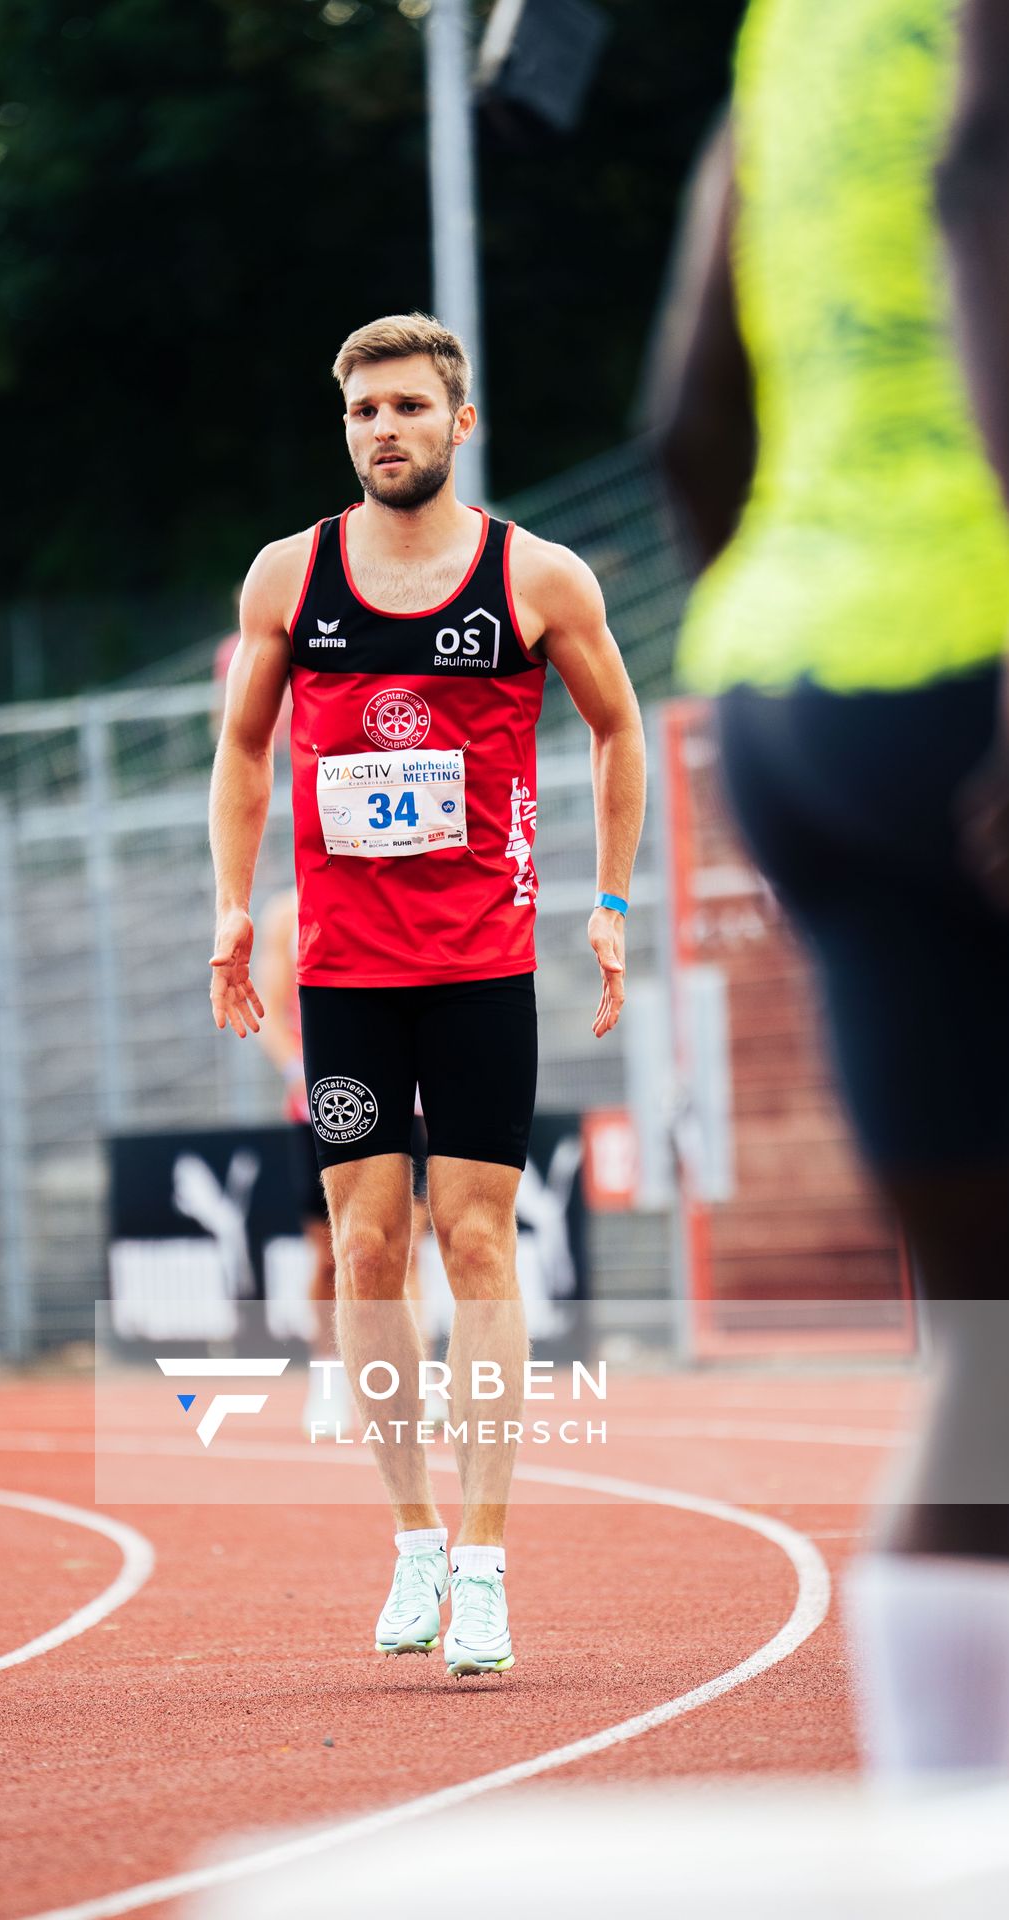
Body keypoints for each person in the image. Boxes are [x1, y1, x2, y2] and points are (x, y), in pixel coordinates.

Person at [652, 0, 1009, 1774]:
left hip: (795, 693)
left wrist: (768, 639)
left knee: (1005, 1354)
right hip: (991, 651)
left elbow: (683, 405)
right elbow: (991, 176)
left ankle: (942, 1836)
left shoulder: (788, 33)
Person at [210, 312, 645, 1677]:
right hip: (343, 974)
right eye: (362, 412)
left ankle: (487, 1560)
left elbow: (619, 727)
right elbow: (241, 746)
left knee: (478, 1244)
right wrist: (232, 908)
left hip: (477, 966)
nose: (384, 428)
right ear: (345, 430)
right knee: (371, 1250)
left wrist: (612, 900)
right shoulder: (291, 577)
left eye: (407, 407)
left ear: (461, 425)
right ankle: (409, 1541)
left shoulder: (537, 579)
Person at [252, 885, 433, 1434]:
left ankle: (417, 1383)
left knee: (408, 1252)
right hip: (322, 1107)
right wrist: (301, 1077)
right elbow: (270, 1012)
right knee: (334, 1257)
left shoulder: (401, 896)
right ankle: (329, 1381)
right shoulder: (287, 915)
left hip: (405, 1102)